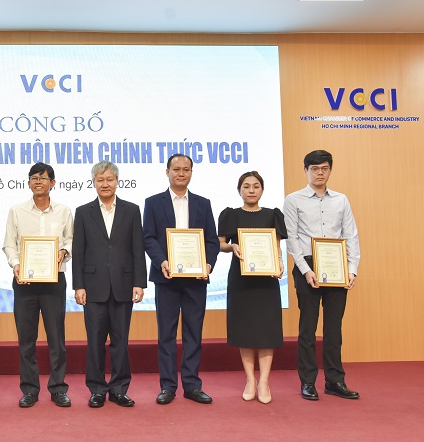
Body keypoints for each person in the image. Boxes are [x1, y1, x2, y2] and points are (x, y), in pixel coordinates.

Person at [284, 150, 360, 401]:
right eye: (314, 168)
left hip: (336, 265)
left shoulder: (341, 200)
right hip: (307, 265)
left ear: (330, 170)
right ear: (305, 170)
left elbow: (351, 235)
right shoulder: (293, 200)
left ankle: (335, 381)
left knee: (334, 328)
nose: (319, 173)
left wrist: (352, 269)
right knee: (308, 327)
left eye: (324, 168)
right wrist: (306, 271)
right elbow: (291, 238)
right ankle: (308, 382)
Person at [143, 153, 219, 405]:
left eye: (186, 169)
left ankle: (192, 385)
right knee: (166, 334)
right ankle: (168, 386)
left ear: (191, 173)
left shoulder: (203, 203)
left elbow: (211, 240)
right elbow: (148, 237)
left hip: (196, 278)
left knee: (193, 333)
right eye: (176, 169)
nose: (181, 173)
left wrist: (207, 265)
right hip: (166, 277)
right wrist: (162, 261)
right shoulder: (153, 203)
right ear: (167, 172)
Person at [72, 161, 146, 408]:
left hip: (124, 285)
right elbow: (78, 251)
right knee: (94, 342)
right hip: (93, 287)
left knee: (120, 341)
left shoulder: (132, 210)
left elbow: (138, 248)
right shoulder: (83, 212)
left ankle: (119, 389)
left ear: (117, 181)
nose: (105, 184)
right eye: (100, 180)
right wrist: (79, 285)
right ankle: (96, 389)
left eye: (109, 179)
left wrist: (139, 282)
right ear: (94, 183)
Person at [3, 162, 74, 408]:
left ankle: (58, 388)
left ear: (52, 183)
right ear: (28, 183)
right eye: (34, 178)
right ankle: (30, 389)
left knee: (57, 339)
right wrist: (16, 264)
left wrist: (64, 251)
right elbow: (9, 244)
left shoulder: (64, 211)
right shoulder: (17, 211)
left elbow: (71, 240)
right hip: (25, 281)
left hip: (54, 282)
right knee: (26, 340)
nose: (38, 182)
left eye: (43, 178)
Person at [218, 171, 286, 404]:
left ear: (262, 189)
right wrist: (233, 247)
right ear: (239, 190)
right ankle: (250, 379)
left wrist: (280, 262)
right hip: (241, 279)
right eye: (246, 186)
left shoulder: (272, 215)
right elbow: (221, 244)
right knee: (245, 329)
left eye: (256, 186)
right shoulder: (231, 215)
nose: (251, 190)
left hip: (266, 279)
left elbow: (276, 246)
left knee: (267, 330)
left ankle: (264, 381)